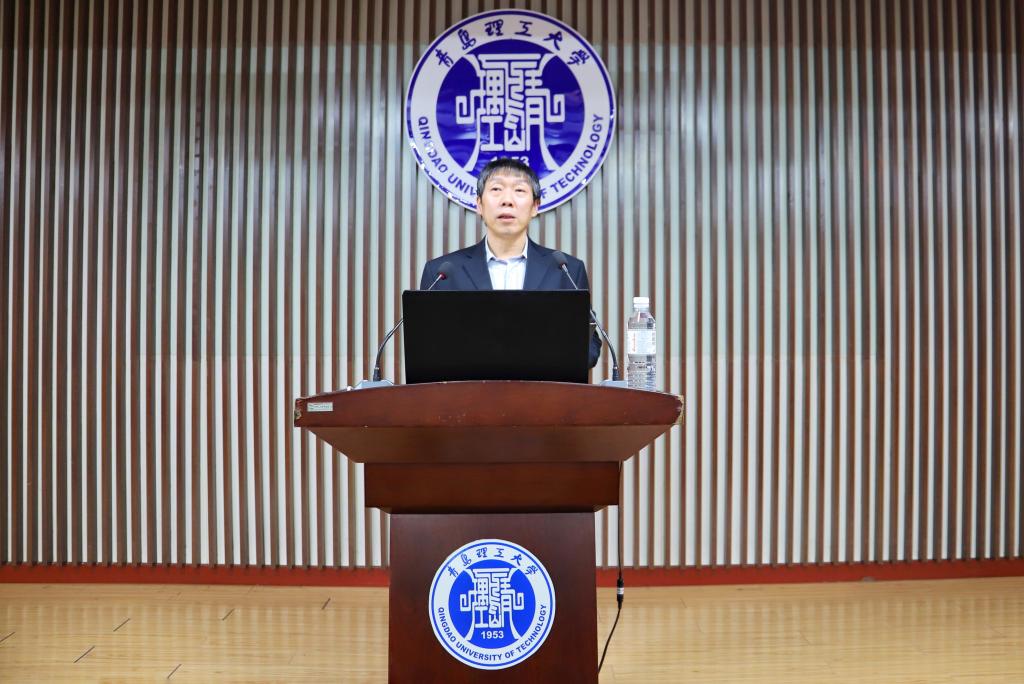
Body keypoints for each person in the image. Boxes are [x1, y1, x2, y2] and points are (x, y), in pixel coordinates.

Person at [419, 157, 602, 368]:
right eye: (496, 189)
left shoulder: (566, 270)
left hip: (541, 388)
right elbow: (424, 348)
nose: (507, 200)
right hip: (469, 389)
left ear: (535, 206)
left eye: (519, 190)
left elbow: (590, 348)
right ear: (479, 204)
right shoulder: (441, 274)